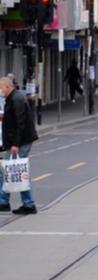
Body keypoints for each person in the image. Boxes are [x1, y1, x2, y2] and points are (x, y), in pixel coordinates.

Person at [0, 76, 38, 215]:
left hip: (20, 143)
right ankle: (5, 201)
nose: (0, 90)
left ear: (7, 87)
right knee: (13, 171)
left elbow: (19, 124)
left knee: (16, 172)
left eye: (1, 87)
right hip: (17, 142)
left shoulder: (16, 100)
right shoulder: (12, 98)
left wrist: (15, 144)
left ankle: (27, 204)